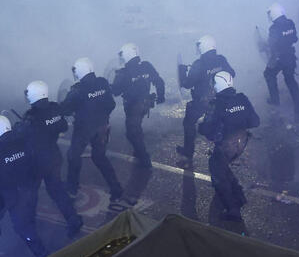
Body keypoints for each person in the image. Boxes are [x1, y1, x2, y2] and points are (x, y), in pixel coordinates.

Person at [18, 80, 84, 237]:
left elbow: (22, 137)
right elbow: (64, 127)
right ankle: (73, 219)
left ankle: (30, 226)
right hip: (54, 156)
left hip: (37, 161)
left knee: (30, 193)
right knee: (57, 190)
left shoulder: (31, 116)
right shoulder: (55, 108)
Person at [61, 58, 128, 205]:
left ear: (78, 72)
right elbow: (111, 104)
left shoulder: (77, 91)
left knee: (73, 156)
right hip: (102, 127)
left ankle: (72, 189)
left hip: (83, 130)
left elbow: (64, 110)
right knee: (99, 157)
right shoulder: (103, 83)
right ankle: (116, 189)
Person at [198, 71, 259, 229]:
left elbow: (207, 130)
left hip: (227, 146)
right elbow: (255, 121)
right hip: (242, 143)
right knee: (223, 166)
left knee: (217, 171)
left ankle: (233, 211)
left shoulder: (216, 104)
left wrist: (202, 124)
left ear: (218, 85)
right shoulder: (242, 98)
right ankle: (239, 195)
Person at [0, 115, 47, 257]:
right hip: (28, 189)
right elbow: (36, 165)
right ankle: (40, 251)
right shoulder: (24, 143)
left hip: (6, 195)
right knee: (27, 222)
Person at [176, 35, 236, 168]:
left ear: (203, 47)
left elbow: (187, 84)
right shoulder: (221, 59)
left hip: (203, 102)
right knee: (220, 127)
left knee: (189, 123)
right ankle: (225, 157)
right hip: (222, 100)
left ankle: (188, 155)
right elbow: (232, 73)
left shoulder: (199, 64)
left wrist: (182, 72)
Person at [111, 43, 165, 167]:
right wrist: (161, 96)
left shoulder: (123, 73)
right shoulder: (146, 66)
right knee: (137, 127)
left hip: (133, 107)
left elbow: (116, 91)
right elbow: (159, 81)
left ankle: (145, 160)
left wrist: (111, 83)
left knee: (131, 133)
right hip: (146, 104)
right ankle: (138, 149)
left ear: (127, 54)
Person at [261, 3, 299, 121]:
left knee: (268, 74)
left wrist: (264, 46)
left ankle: (275, 101)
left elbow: (271, 44)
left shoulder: (274, 28)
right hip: (290, 56)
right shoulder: (290, 23)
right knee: (290, 80)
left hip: (279, 58)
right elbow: (295, 39)